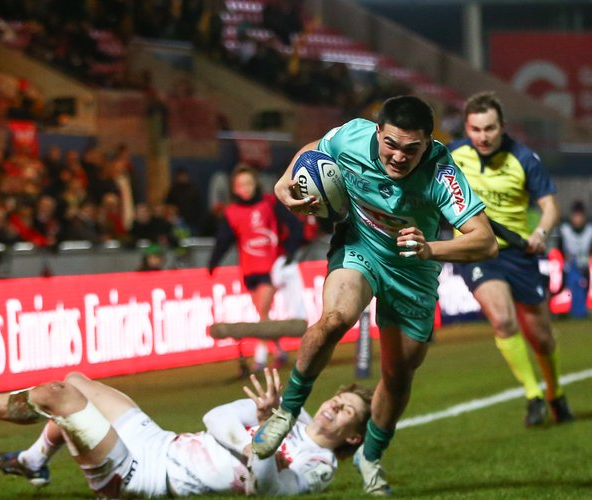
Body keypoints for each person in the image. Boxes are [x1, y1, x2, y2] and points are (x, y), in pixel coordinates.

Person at [254, 95, 497, 495]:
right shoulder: (352, 135)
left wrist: (430, 248)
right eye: (391, 144)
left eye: (411, 149)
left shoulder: (442, 173)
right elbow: (316, 148)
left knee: (398, 375)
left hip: (413, 270)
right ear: (378, 131)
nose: (399, 157)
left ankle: (370, 455)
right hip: (360, 247)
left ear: (428, 143)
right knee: (334, 320)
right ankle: (287, 411)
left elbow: (485, 241)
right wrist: (284, 182)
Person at [0, 347, 372, 497]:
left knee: (58, 398)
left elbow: (267, 490)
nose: (334, 407)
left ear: (352, 437)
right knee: (76, 383)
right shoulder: (286, 413)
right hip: (160, 442)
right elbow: (214, 418)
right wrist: (257, 427)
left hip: (147, 478)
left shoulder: (319, 467)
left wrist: (262, 444)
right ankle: (33, 460)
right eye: (339, 399)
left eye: (346, 411)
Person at [448, 91, 573, 428]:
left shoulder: (524, 158)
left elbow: (550, 207)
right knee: (503, 320)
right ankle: (533, 396)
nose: (483, 137)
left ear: (502, 126)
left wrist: (540, 234)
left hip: (519, 253)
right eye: (475, 129)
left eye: (489, 128)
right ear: (466, 128)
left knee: (541, 336)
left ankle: (555, 392)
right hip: (475, 251)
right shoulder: (451, 155)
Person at [208, 165, 305, 374]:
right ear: (234, 188)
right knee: (263, 315)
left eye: (248, 183)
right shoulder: (231, 213)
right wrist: (213, 263)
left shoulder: (270, 203)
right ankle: (279, 351)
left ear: (255, 184)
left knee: (262, 311)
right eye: (241, 184)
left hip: (270, 268)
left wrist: (290, 252)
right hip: (248, 270)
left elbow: (295, 225)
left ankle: (260, 360)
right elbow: (223, 241)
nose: (245, 188)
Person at [558, 200, 592, 318]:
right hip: (569, 266)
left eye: (580, 216)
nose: (577, 219)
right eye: (575, 215)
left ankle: (581, 310)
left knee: (583, 286)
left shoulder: (591, 230)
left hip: (584, 266)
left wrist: (584, 262)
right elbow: (560, 248)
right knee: (569, 286)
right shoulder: (565, 229)